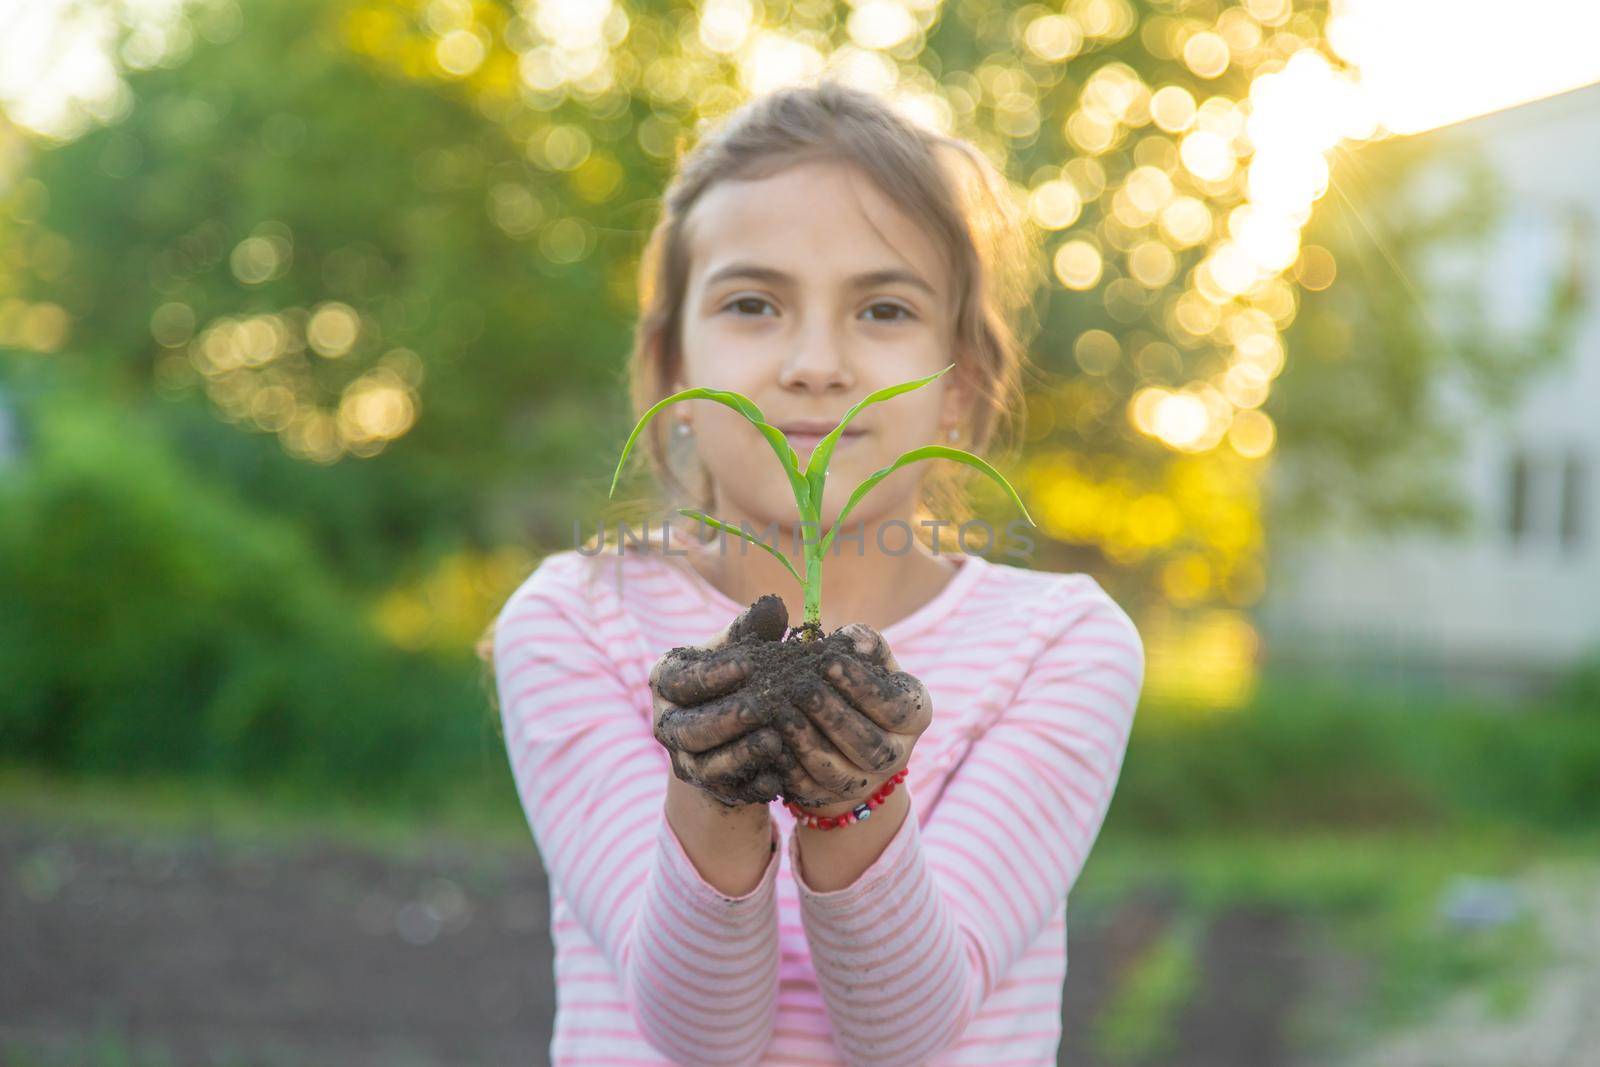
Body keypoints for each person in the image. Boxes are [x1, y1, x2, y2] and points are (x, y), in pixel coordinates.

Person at [480, 80, 1145, 1067]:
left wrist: (855, 805)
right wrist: (710, 789)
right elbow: (701, 1033)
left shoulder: (1060, 644)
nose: (816, 362)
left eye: (882, 307)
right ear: (672, 371)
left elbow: (908, 1027)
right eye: (753, 303)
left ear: (958, 380)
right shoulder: (578, 619)